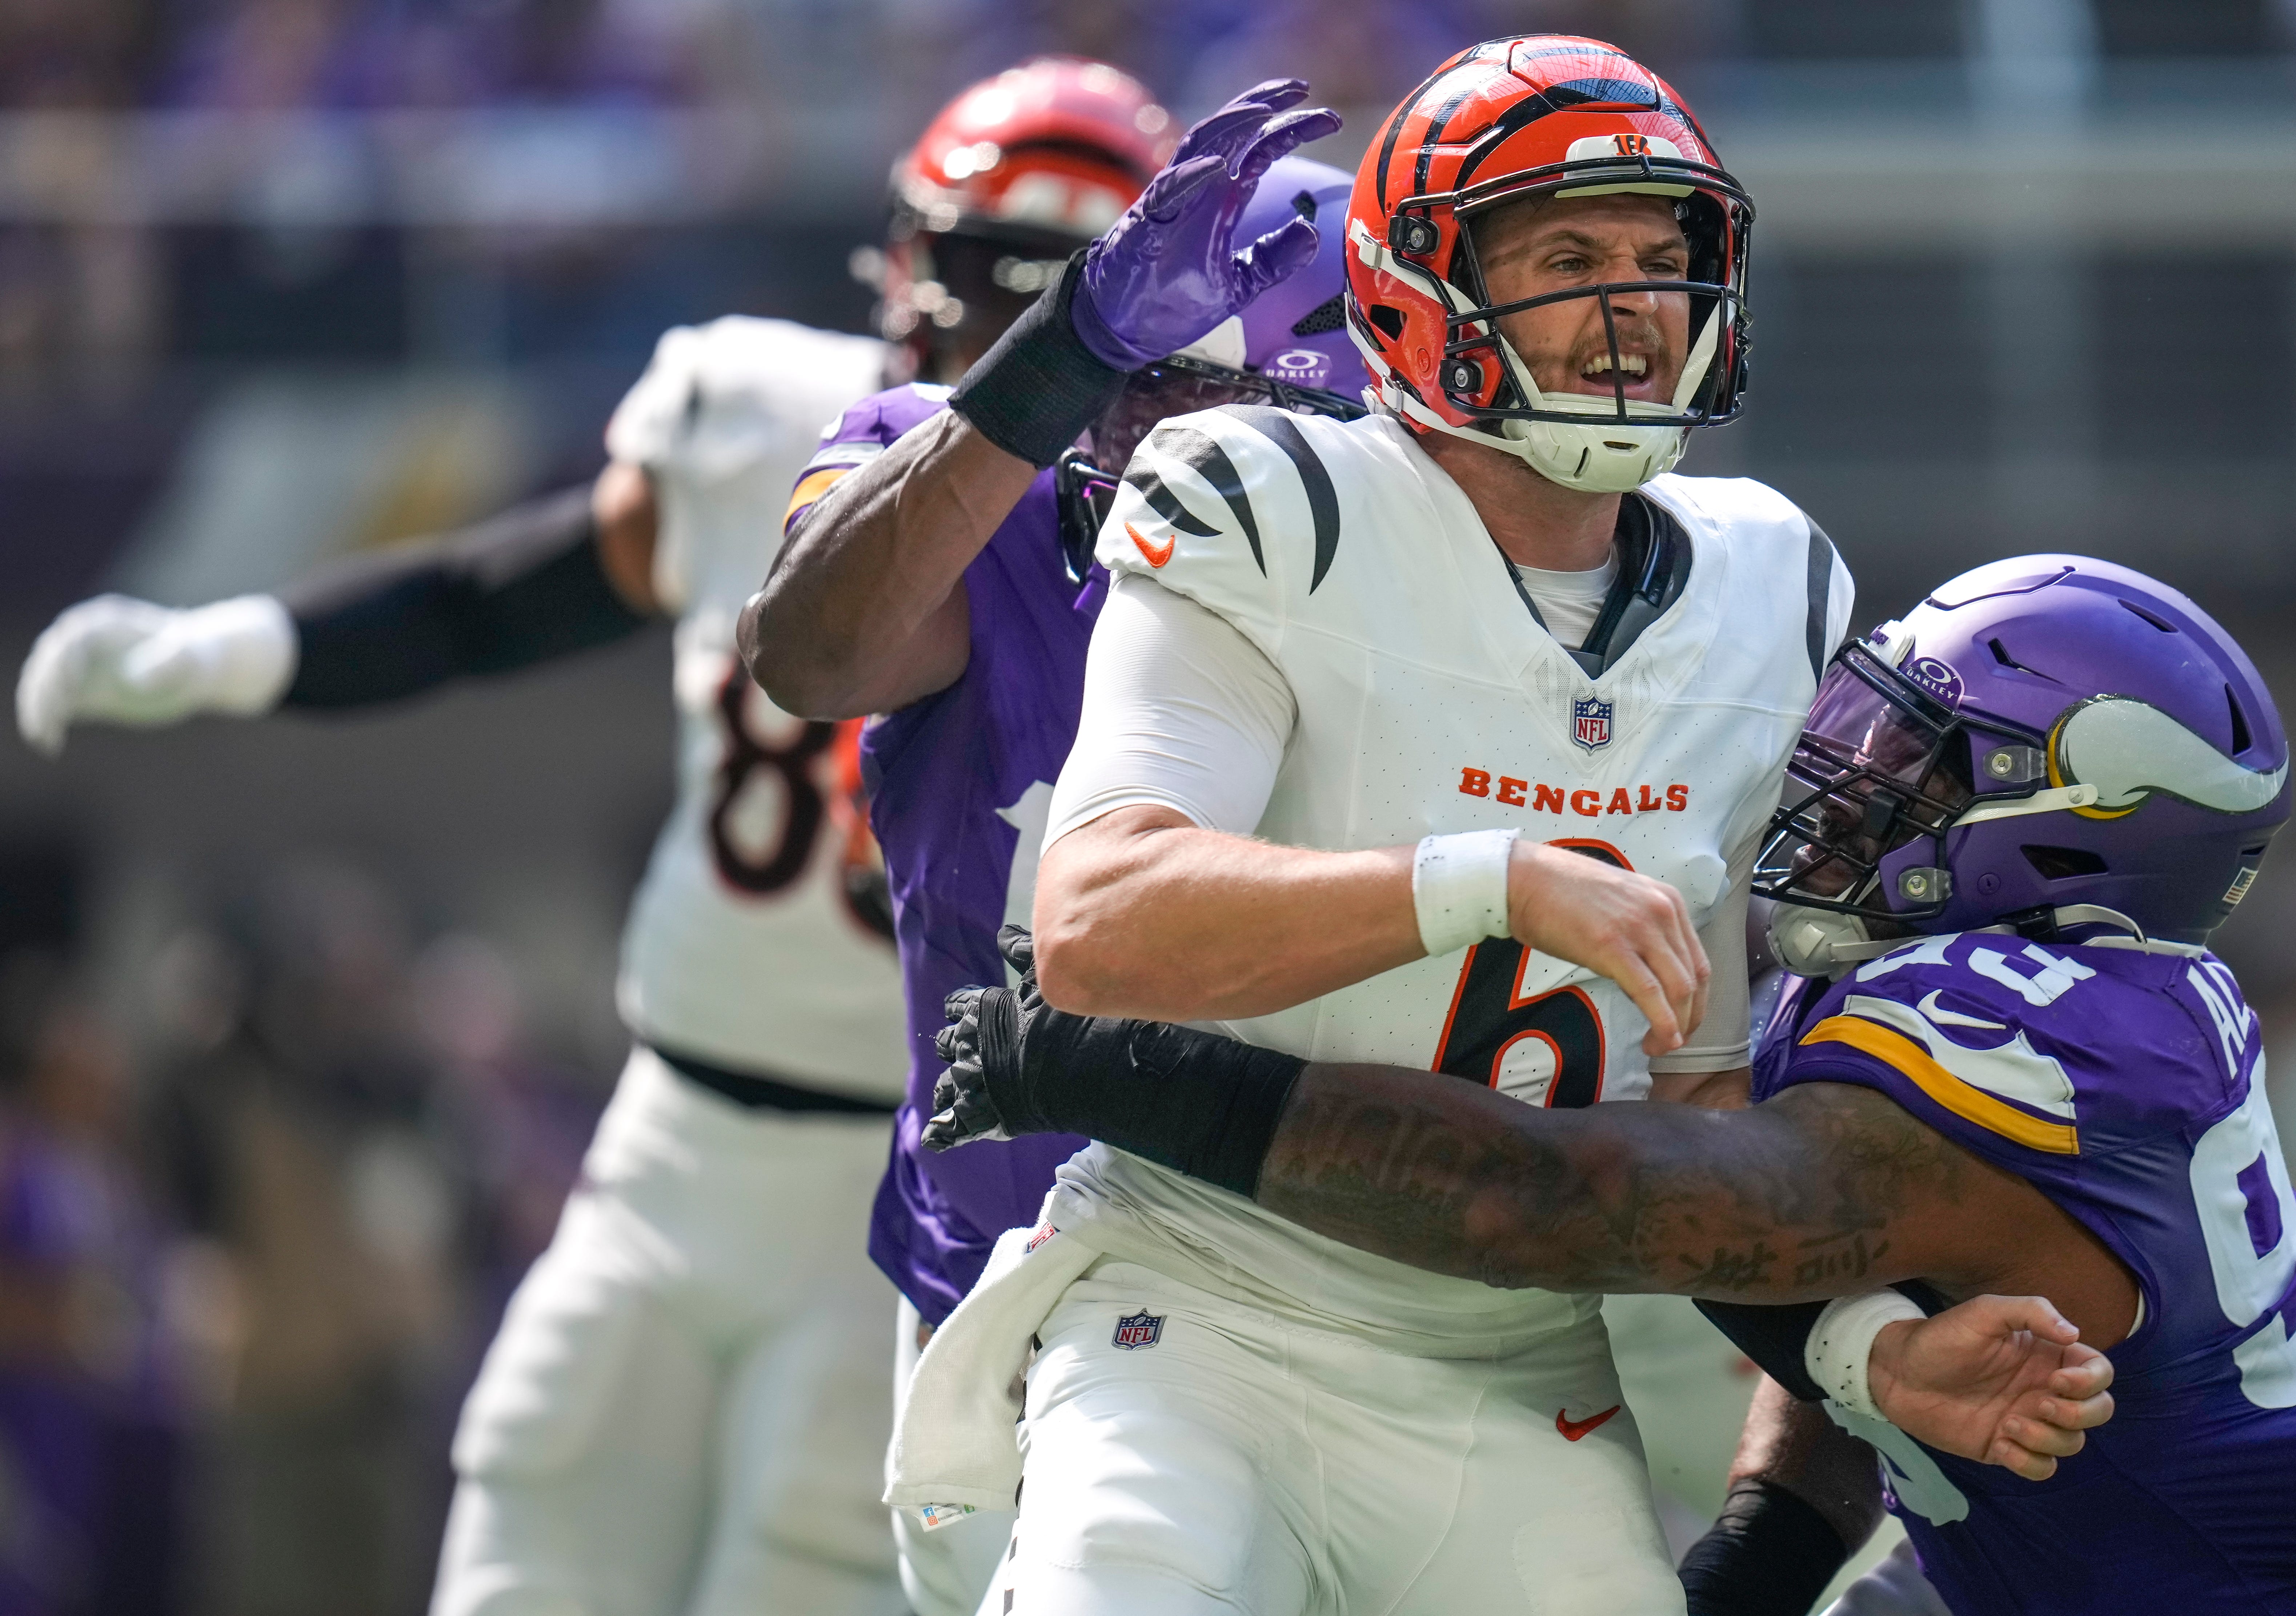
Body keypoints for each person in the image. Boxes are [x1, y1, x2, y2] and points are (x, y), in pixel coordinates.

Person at [13, 58, 1173, 1616]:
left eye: (1038, 286)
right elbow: (517, 595)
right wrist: (238, 649)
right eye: (977, 266)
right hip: (672, 1137)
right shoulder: (769, 414)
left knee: (812, 1563)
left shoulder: (1182, 518)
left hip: (921, 1177)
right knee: (531, 1515)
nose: (980, 313)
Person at [932, 555, 2296, 1616]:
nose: (1849, 769)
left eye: (1921, 757)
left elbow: (1573, 1203)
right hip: (2050, 1564)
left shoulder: (2024, 1049)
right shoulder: (2004, 1003)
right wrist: (1771, 1550)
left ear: (2067, 832)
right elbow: (1860, 1261)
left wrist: (1131, 1071)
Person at [892, 33, 1873, 1615]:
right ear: (1420, 283)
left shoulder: (1775, 583)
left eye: (1659, 254)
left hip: (1517, 1353)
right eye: (1567, 256)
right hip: (1202, 1307)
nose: (1632, 301)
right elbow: (1094, 919)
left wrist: (1872, 1354)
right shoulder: (1275, 499)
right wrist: (1479, 882)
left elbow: (1714, 1110)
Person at [739, 79, 1357, 1612]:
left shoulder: (1430, 575)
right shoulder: (960, 481)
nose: (1164, 456)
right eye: (1134, 395)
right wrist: (1060, 356)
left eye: (1233, 418)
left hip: (1347, 1295)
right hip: (1010, 1295)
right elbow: (811, 653)